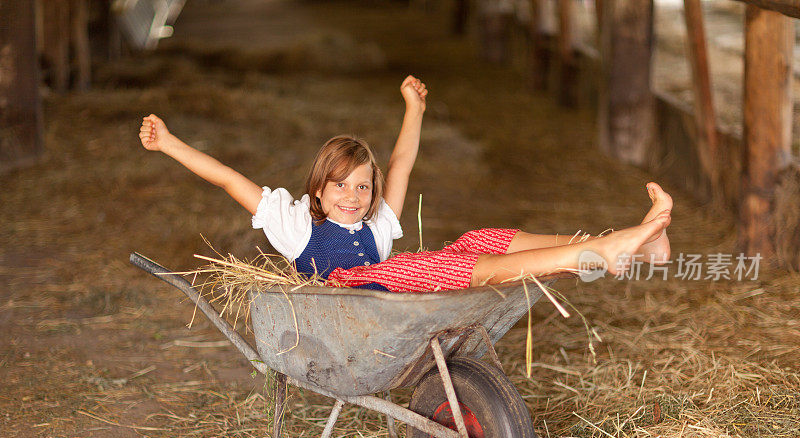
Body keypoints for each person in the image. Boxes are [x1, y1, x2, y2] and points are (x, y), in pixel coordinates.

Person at [139, 75, 672, 293]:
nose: (353, 198)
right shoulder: (297, 226)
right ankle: (601, 250)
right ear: (318, 191)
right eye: (340, 187)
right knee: (438, 265)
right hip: (363, 305)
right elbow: (231, 180)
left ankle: (639, 247)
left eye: (361, 189)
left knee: (479, 240)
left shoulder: (376, 225)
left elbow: (400, 165)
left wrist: (413, 108)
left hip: (397, 291)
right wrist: (170, 144)